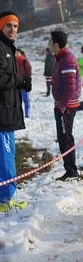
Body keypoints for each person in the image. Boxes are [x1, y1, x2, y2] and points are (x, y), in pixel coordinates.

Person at [0, 11, 30, 211]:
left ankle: (7, 196)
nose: (12, 29)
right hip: (3, 113)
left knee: (7, 156)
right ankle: (5, 199)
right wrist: (21, 80)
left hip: (8, 111)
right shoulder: (1, 48)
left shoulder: (8, 47)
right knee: (6, 157)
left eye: (15, 26)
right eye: (8, 25)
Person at [48, 31, 81, 181]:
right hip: (63, 105)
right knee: (63, 138)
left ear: (56, 44)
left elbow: (70, 87)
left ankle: (72, 172)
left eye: (49, 42)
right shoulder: (61, 58)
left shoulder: (67, 59)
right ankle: (69, 170)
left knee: (66, 138)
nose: (48, 45)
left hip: (66, 107)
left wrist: (62, 106)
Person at [15, 48, 32, 118]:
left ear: (21, 54)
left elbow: (29, 71)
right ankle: (18, 113)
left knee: (26, 99)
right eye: (15, 53)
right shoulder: (13, 61)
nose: (16, 54)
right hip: (16, 82)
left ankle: (27, 113)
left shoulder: (25, 61)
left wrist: (27, 80)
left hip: (24, 82)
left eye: (17, 53)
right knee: (16, 99)